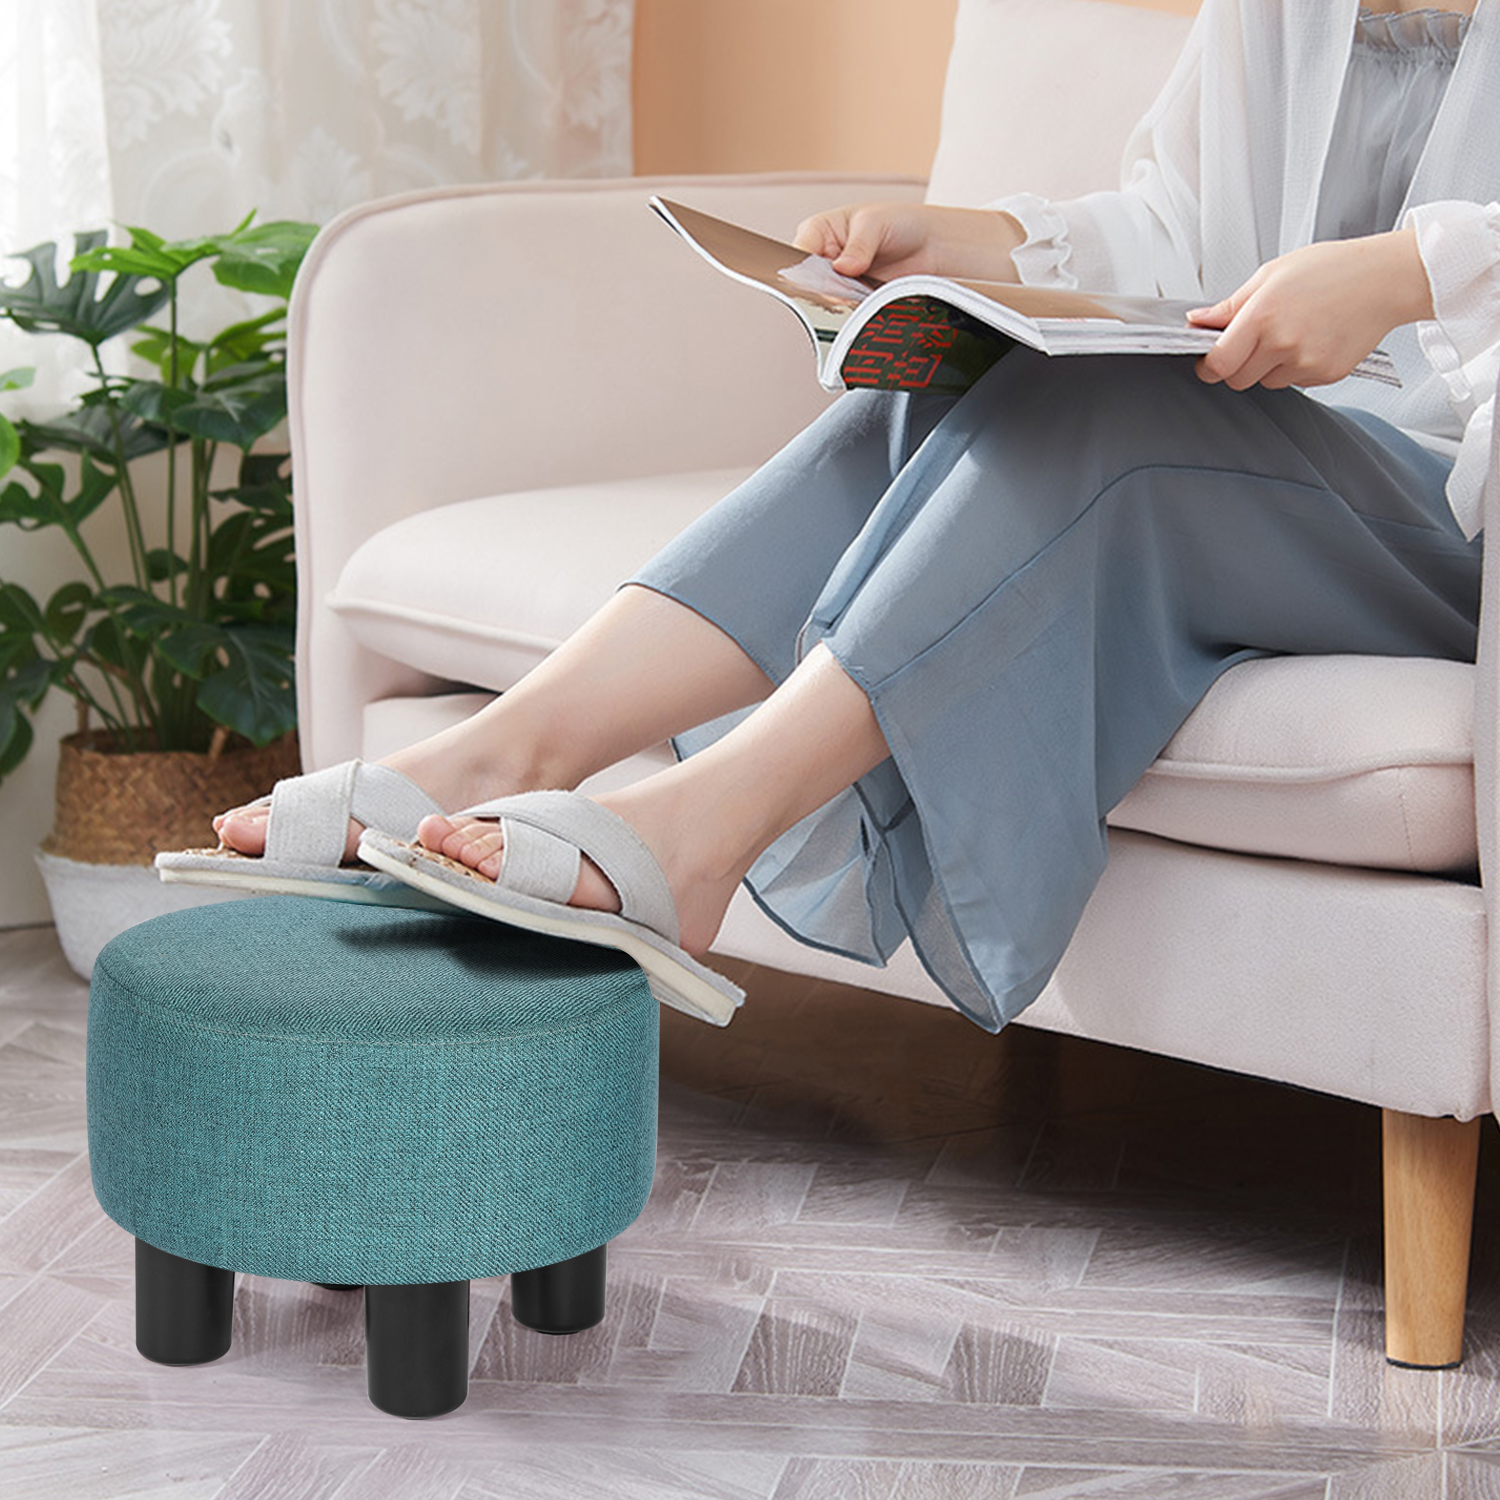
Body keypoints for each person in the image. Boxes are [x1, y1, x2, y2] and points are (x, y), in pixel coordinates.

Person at [203, 0, 1497, 1031]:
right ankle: (504, 752)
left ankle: (696, 835)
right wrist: (961, 245)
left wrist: (1406, 276)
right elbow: (1178, 227)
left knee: (1118, 422)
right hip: (1278, 464)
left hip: (1453, 517)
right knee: (937, 388)